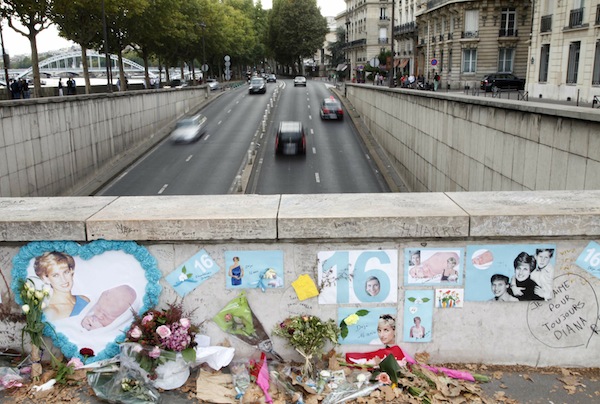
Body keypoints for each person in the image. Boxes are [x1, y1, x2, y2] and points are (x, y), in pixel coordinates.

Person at [34, 251, 90, 321]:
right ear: (46, 278)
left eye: (66, 272)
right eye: (56, 275)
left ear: (71, 271)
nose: (63, 279)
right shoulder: (50, 312)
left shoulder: (84, 300)